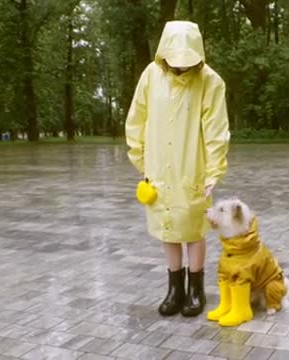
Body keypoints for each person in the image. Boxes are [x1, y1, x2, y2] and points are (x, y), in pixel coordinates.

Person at [125, 21, 230, 317]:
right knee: (167, 229)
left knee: (193, 230)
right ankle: (175, 288)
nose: (181, 68)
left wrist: (213, 172)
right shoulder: (150, 75)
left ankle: (196, 290)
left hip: (193, 168)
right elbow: (137, 119)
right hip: (157, 168)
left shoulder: (211, 82)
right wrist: (141, 160)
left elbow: (216, 131)